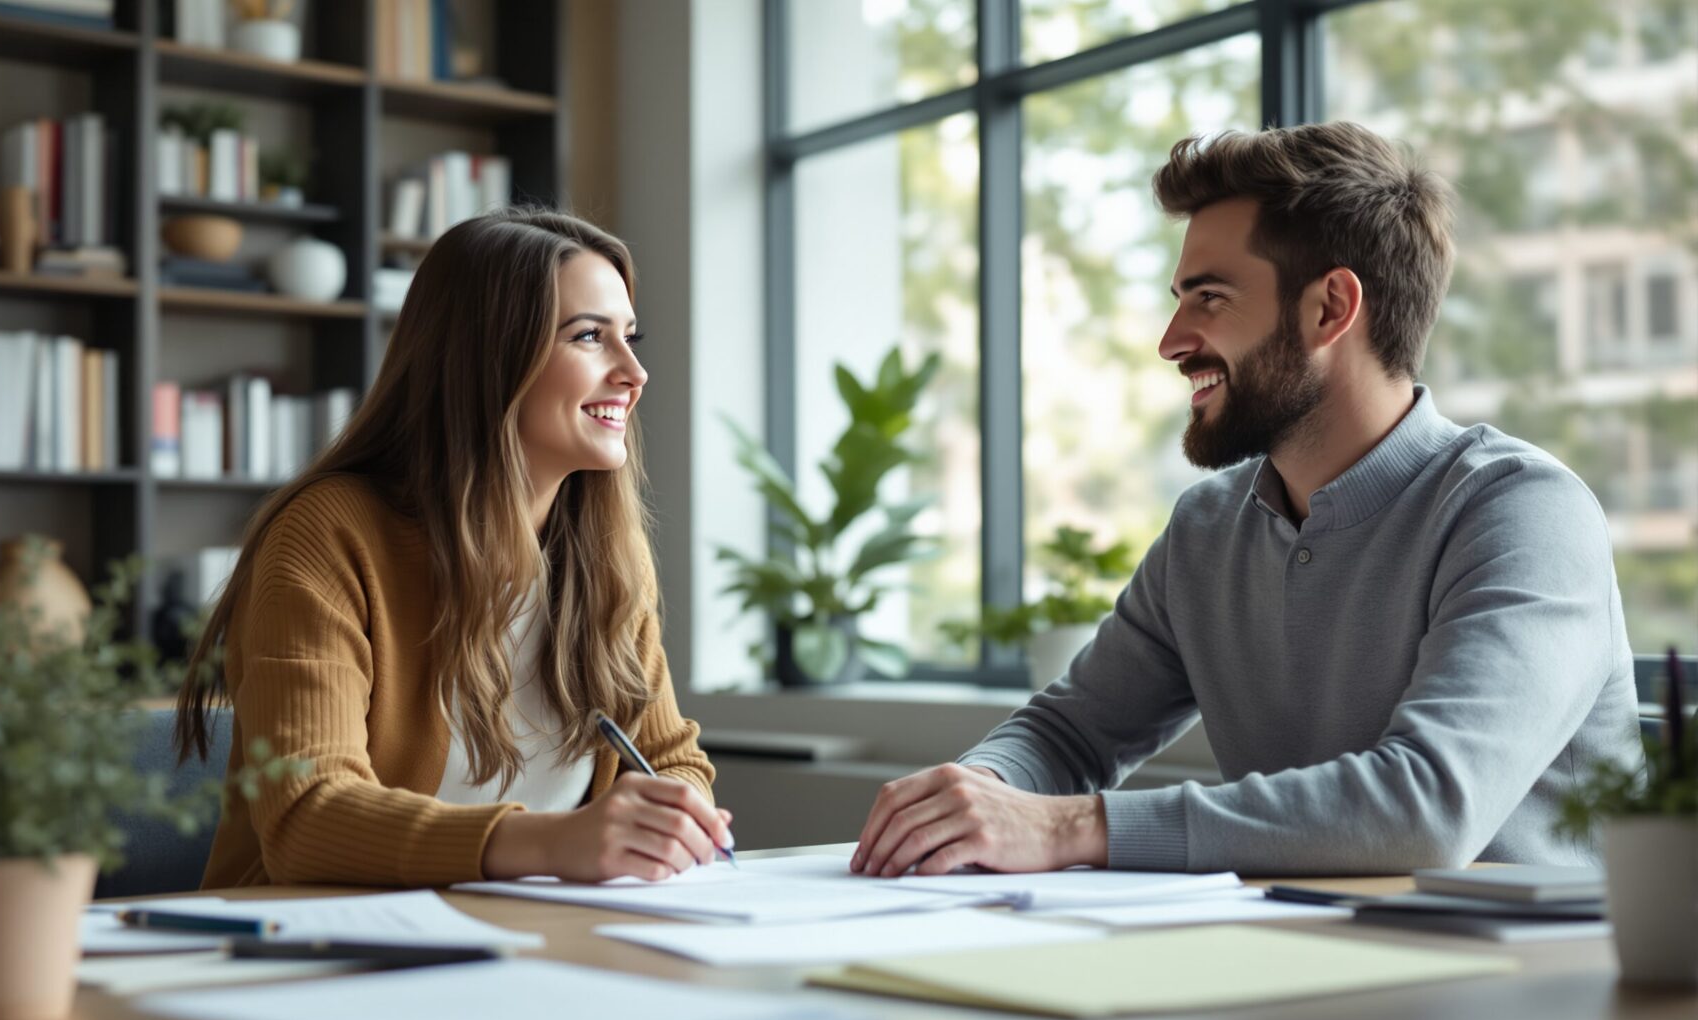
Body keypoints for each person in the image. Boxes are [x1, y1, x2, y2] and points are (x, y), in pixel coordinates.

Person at [852, 121, 1643, 878]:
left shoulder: (1523, 511)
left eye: (1210, 298)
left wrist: (1068, 827)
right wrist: (971, 800)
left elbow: (1428, 808)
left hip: (1524, 995)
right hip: (1293, 969)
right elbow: (1071, 732)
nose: (1171, 340)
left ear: (1331, 308)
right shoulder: (1208, 528)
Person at [177, 211, 731, 889]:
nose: (635, 373)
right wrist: (558, 842)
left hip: (540, 947)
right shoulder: (328, 535)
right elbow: (307, 816)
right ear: (490, 357)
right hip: (321, 951)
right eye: (590, 336)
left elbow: (673, 762)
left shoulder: (608, 557)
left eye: (630, 337)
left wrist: (673, 817)